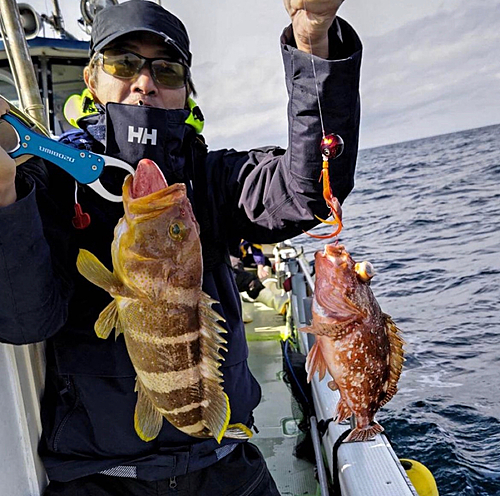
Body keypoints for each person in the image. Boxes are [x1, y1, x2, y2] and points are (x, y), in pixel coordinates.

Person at [0, 0, 362, 494]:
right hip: (98, 478)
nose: (145, 82)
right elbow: (25, 320)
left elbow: (310, 189)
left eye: (166, 69)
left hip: (224, 460)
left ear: (184, 91)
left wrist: (314, 41)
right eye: (123, 63)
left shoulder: (210, 179)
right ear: (91, 79)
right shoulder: (53, 183)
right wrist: (4, 199)